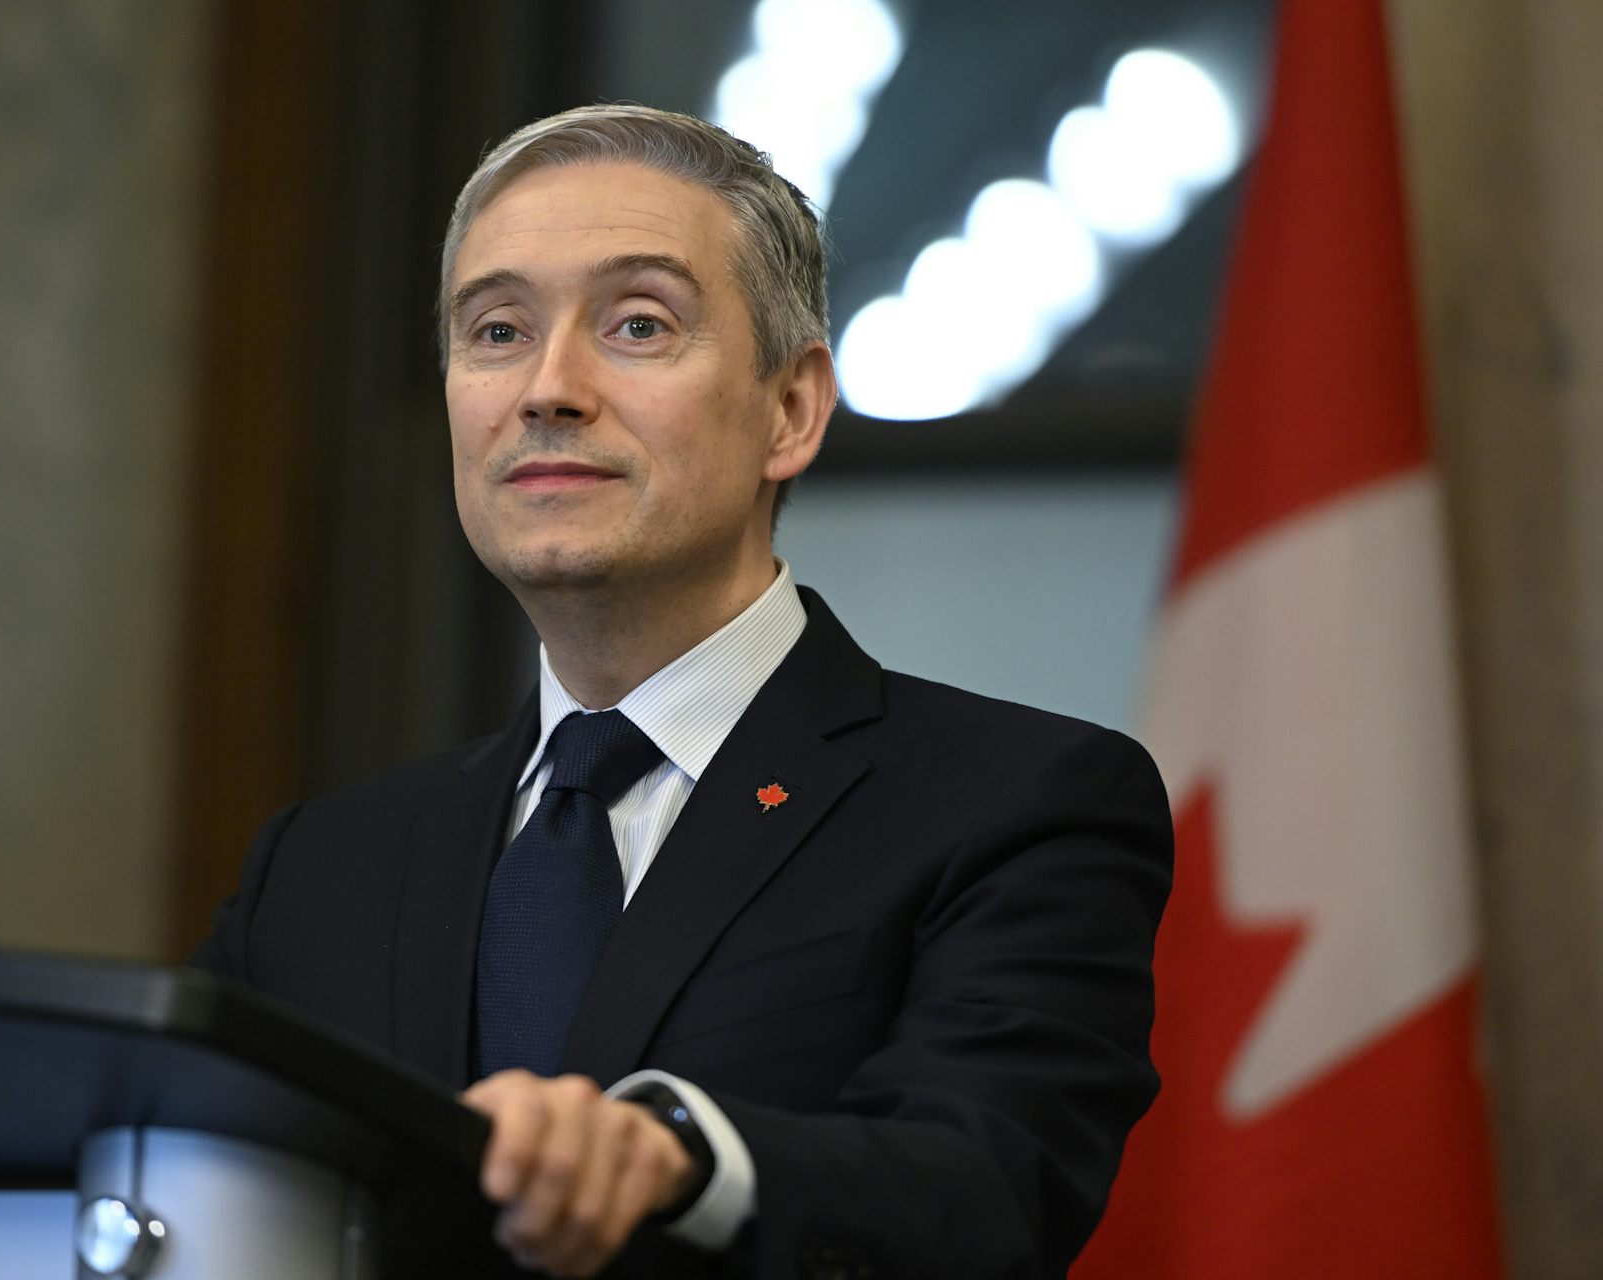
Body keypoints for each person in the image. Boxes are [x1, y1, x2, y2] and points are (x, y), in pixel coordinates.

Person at [194, 103, 1172, 1279]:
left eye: (637, 323)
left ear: (791, 409)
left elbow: (986, 1187)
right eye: (497, 330)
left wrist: (675, 1153)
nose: (548, 387)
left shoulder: (1017, 803)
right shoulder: (318, 867)